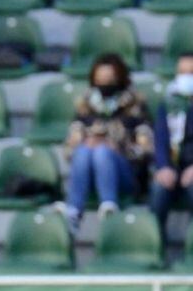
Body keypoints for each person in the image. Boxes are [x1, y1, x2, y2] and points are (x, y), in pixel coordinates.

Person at [61, 53, 153, 234]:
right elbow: (69, 150)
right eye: (100, 80)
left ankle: (109, 205)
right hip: (90, 174)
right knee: (85, 151)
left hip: (126, 174)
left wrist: (120, 149)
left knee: (103, 151)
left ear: (120, 79)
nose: (104, 85)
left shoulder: (135, 106)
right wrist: (87, 143)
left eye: (109, 80)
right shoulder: (85, 106)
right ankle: (74, 210)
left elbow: (147, 150)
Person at [150, 52, 193, 260]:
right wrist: (163, 167)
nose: (186, 77)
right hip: (172, 170)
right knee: (158, 190)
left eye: (191, 73)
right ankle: (156, 248)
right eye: (182, 72)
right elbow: (160, 139)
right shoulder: (167, 104)